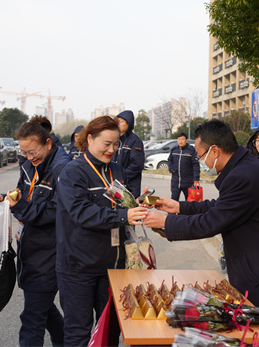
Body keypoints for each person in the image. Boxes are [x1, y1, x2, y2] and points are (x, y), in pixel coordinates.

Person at [143, 119, 259, 341]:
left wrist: (165, 222)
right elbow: (221, 206)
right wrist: (180, 207)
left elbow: (211, 222)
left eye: (200, 156)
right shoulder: (244, 167)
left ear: (215, 151)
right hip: (258, 268)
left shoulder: (243, 175)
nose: (200, 162)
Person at [55, 116, 148, 346]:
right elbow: (81, 212)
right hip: (79, 267)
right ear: (89, 139)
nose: (112, 150)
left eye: (116, 144)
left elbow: (120, 202)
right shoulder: (72, 172)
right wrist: (124, 216)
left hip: (113, 266)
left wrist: (135, 204)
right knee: (78, 332)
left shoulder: (117, 169)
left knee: (109, 331)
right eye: (106, 143)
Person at [0, 121, 70, 346]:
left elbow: (56, 211)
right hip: (30, 246)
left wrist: (20, 207)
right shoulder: (30, 164)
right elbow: (22, 193)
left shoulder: (62, 169)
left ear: (48, 143)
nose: (28, 157)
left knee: (32, 317)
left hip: (50, 250)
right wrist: (5, 199)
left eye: (32, 152)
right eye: (24, 152)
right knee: (43, 308)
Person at [112, 110, 145, 197]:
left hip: (130, 186)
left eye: (121, 121)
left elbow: (137, 165)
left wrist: (121, 176)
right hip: (114, 184)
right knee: (113, 205)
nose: (118, 124)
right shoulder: (114, 139)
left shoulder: (135, 141)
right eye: (117, 121)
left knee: (129, 205)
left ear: (128, 123)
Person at [167, 132, 200, 200]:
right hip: (175, 181)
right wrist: (171, 168)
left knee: (189, 201)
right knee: (173, 200)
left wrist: (196, 178)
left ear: (186, 140)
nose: (180, 141)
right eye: (179, 139)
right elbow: (169, 160)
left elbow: (195, 165)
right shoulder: (174, 150)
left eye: (182, 139)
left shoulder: (191, 150)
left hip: (188, 181)